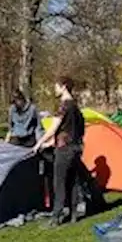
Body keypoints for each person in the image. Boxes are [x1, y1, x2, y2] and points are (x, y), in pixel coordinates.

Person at [35, 76, 87, 228]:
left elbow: (53, 128)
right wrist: (50, 143)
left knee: (59, 183)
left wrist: (39, 142)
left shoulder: (64, 106)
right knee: (72, 182)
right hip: (76, 149)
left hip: (64, 150)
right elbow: (76, 129)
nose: (54, 89)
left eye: (56, 86)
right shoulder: (76, 107)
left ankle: (56, 218)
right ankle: (73, 215)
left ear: (64, 86)